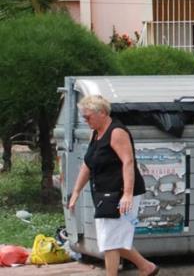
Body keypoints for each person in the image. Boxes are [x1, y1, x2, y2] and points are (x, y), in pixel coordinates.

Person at [67, 96, 159, 276]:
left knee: (110, 241)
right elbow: (88, 163)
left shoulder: (117, 132)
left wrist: (127, 194)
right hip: (104, 194)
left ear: (101, 113)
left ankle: (139, 269)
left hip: (121, 193)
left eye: (88, 117)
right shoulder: (95, 132)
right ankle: (147, 267)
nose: (85, 121)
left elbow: (128, 162)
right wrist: (76, 191)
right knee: (112, 239)